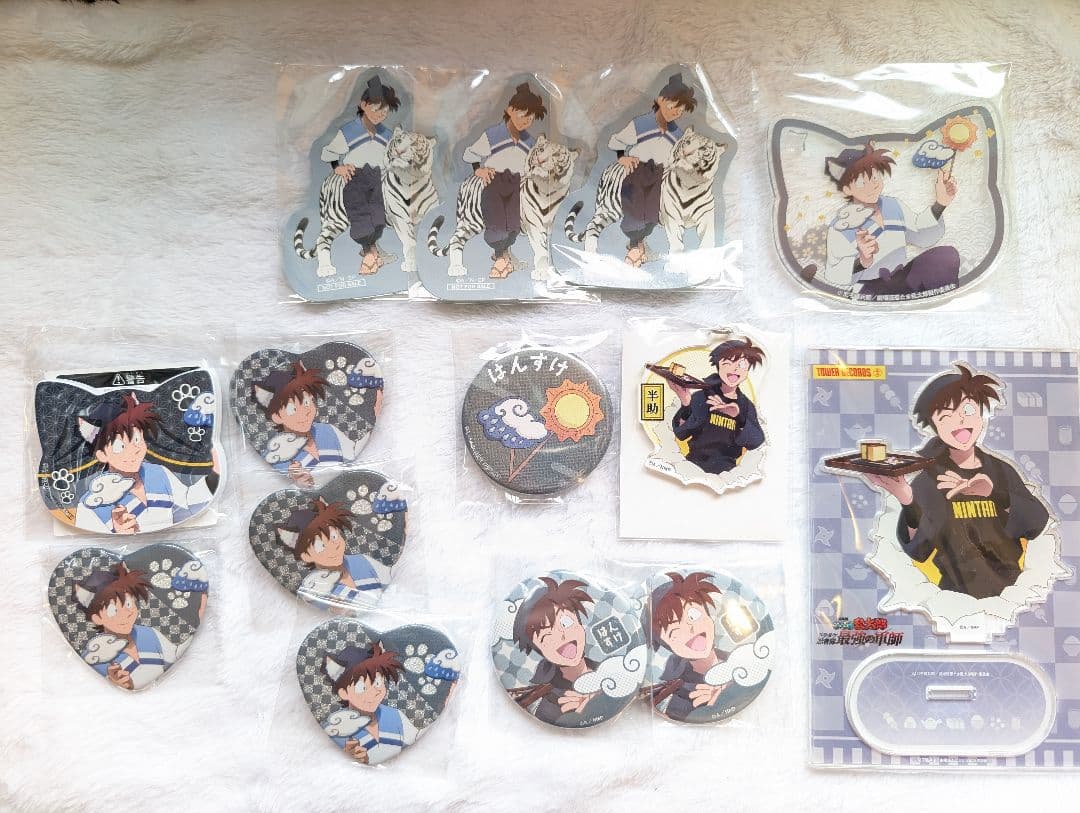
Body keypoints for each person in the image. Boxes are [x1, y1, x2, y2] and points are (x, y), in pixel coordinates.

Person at [866, 364, 1051, 599]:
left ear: (981, 414)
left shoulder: (1001, 471)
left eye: (968, 409)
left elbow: (1036, 524)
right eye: (946, 416)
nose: (960, 420)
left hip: (1012, 591)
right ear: (935, 427)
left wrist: (995, 494)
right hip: (955, 596)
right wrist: (908, 500)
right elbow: (919, 550)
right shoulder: (929, 479)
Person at [823, 143, 960, 297]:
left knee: (946, 256)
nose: (872, 186)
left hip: (902, 278)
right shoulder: (840, 227)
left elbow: (921, 235)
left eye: (875, 177)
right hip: (870, 289)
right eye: (861, 183)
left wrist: (940, 203)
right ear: (847, 189)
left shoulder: (893, 205)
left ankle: (938, 302)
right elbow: (834, 273)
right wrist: (862, 260)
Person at [74, 393, 219, 534]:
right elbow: (92, 543)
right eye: (120, 446)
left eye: (137, 439)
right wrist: (118, 532)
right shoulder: (90, 507)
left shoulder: (159, 473)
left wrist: (215, 474)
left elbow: (189, 502)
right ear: (102, 454)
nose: (133, 450)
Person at [607, 73, 696, 266]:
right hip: (638, 170)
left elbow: (679, 156)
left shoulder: (677, 134)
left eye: (680, 112)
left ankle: (640, 244)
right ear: (660, 100)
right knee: (635, 208)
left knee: (652, 213)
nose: (675, 114)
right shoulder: (641, 124)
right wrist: (622, 157)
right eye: (672, 107)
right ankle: (634, 247)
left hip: (660, 175)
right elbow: (617, 140)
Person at [462, 83, 547, 278]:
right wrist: (479, 170)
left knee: (513, 225)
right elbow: (471, 154)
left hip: (518, 185)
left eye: (531, 118)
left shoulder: (529, 142)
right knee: (497, 222)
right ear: (510, 110)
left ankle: (504, 256)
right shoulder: (493, 135)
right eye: (523, 115)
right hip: (495, 182)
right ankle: (500, 260)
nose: (526, 121)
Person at [74, 563, 204, 690]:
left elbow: (175, 656)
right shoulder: (94, 655)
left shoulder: (149, 634)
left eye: (129, 604)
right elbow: (93, 687)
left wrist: (197, 616)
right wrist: (115, 682)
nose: (127, 613)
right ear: (97, 619)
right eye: (114, 610)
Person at [320, 76, 401, 275]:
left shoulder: (386, 134)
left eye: (384, 112)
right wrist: (338, 167)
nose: (380, 115)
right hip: (355, 178)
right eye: (376, 109)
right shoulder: (349, 131)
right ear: (363, 105)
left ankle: (372, 251)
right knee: (361, 217)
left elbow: (391, 158)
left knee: (378, 219)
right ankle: (368, 257)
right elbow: (329, 153)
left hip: (377, 179)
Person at [252, 361, 380, 484]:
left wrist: (374, 416)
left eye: (308, 402)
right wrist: (298, 481)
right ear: (276, 417)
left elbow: (353, 453)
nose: (305, 412)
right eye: (293, 409)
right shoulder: (275, 455)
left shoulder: (327, 431)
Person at [508, 576, 599, 723]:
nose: (562, 635)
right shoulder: (549, 704)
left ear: (580, 623)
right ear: (539, 650)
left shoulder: (610, 668)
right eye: (547, 636)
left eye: (566, 622)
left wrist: (602, 695)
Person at [667, 338, 766, 474]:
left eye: (742, 364)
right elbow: (681, 434)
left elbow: (755, 442)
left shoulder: (745, 405)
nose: (735, 368)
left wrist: (739, 417)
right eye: (727, 363)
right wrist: (686, 404)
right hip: (693, 466)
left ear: (748, 369)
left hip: (728, 472)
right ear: (718, 366)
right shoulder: (702, 396)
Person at [643, 571, 729, 721]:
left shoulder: (741, 658)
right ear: (668, 646)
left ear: (708, 615)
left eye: (693, 615)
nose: (691, 629)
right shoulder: (676, 693)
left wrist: (729, 687)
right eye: (675, 631)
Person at [276, 498, 390, 608]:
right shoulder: (313, 587)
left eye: (334, 536)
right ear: (306, 556)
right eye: (320, 546)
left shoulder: (361, 561)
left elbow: (388, 577)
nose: (333, 546)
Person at [322, 644, 418, 765]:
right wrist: (348, 759)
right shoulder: (335, 728)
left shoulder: (396, 716)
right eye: (362, 687)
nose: (374, 692)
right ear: (343, 693)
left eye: (378, 683)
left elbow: (417, 748)